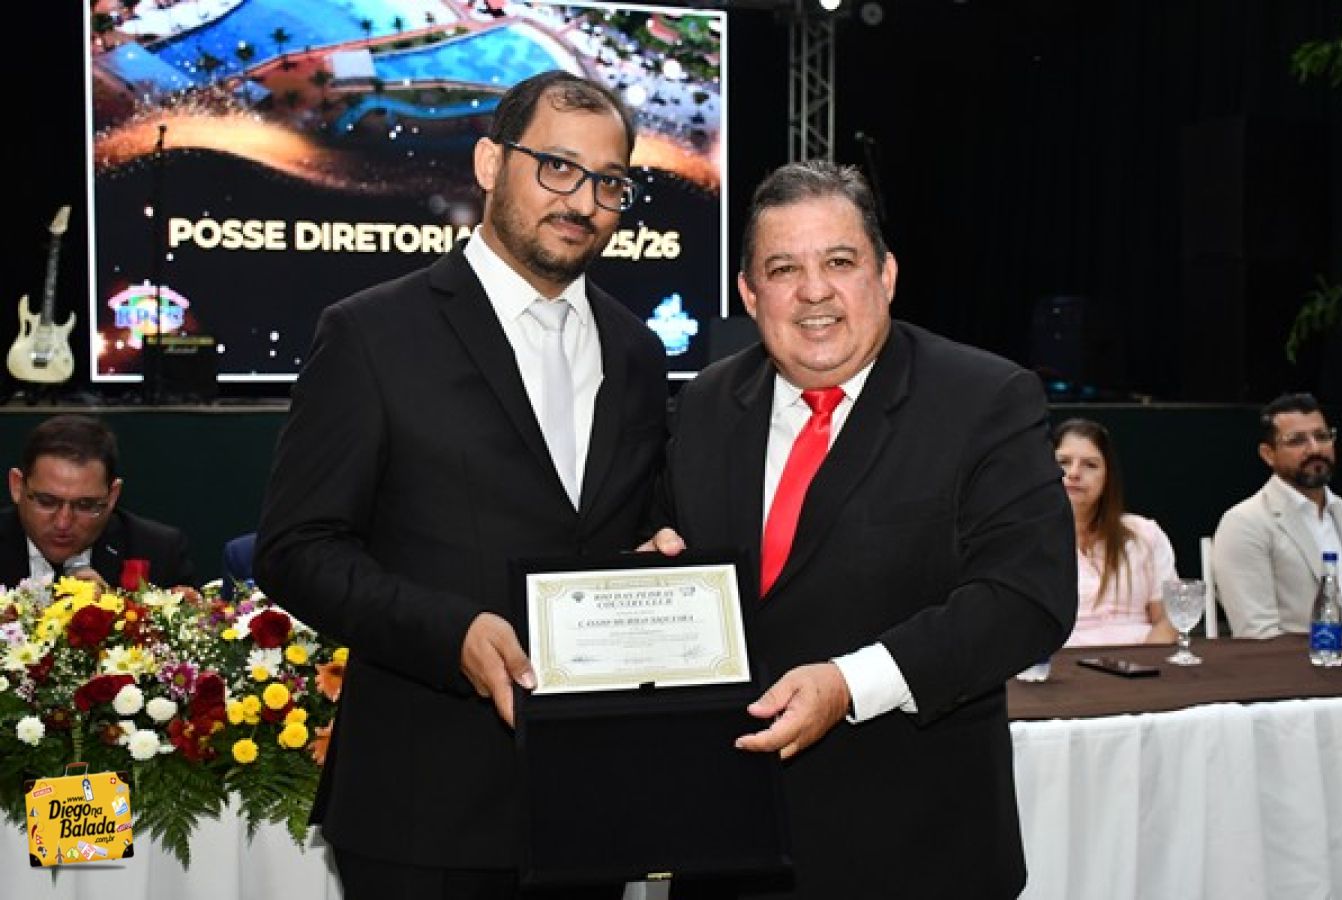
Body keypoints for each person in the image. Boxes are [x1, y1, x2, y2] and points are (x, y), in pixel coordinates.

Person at [253, 70, 668, 898]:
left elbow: (624, 531)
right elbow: (297, 549)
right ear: (489, 163)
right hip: (422, 811)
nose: (583, 202)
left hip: (591, 812)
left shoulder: (638, 352)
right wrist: (453, 636)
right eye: (558, 167)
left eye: (609, 182)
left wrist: (659, 564)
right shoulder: (371, 334)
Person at [644, 161, 1076, 899]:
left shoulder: (984, 398)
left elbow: (1027, 597)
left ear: (886, 275)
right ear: (749, 293)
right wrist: (652, 571)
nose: (814, 291)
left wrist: (850, 684)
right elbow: (676, 550)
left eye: (840, 262)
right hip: (728, 845)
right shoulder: (709, 401)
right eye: (784, 269)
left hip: (915, 854)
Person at [0, 413, 195, 590]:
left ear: (112, 497)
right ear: (17, 487)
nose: (63, 523)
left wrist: (114, 610)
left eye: (85, 505)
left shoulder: (158, 552)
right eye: (47, 502)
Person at [1213, 392, 1342, 638]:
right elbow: (1257, 633)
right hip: (1302, 660)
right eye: (1297, 441)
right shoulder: (1245, 523)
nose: (1315, 449)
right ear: (1268, 454)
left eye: (1322, 436)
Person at [1052, 417, 1179, 647]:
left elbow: (1168, 620)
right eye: (1063, 462)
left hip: (1141, 659)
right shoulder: (1023, 541)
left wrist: (1143, 662)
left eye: (1090, 465)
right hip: (1064, 662)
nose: (1074, 473)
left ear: (1108, 477)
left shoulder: (1144, 534)